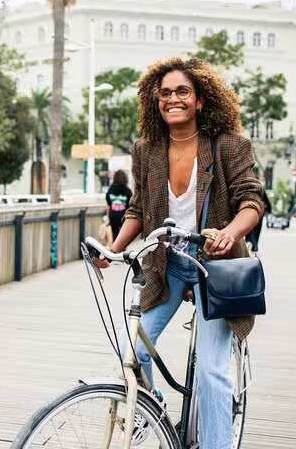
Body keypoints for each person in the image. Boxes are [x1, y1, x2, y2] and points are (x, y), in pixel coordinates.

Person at [94, 56, 264, 448]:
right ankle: (151, 411)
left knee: (212, 373)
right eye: (165, 93)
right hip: (168, 264)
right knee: (132, 351)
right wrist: (113, 249)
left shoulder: (228, 146)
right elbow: (137, 209)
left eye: (183, 92)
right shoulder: (146, 150)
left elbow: (252, 200)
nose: (173, 99)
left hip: (215, 268)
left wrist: (229, 232)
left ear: (200, 100)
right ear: (156, 101)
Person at [105, 169, 133, 242]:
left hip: (113, 217)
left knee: (115, 236)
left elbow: (108, 205)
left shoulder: (110, 190)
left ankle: (116, 251)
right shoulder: (128, 191)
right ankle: (124, 251)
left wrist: (107, 217)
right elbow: (131, 206)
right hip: (124, 218)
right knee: (125, 238)